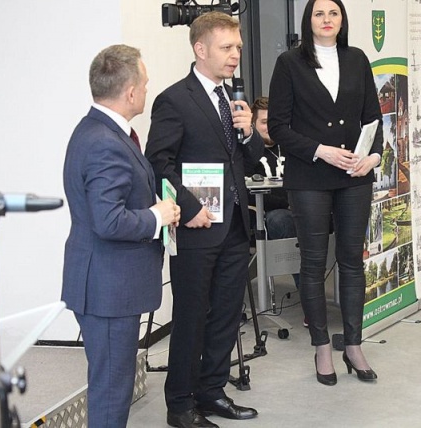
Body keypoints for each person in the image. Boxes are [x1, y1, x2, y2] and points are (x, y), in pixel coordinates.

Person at [145, 12, 263, 428]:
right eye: (227, 47)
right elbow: (157, 163)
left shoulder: (233, 100)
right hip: (195, 229)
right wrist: (190, 206)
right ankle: (180, 405)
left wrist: (249, 132)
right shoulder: (174, 100)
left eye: (238, 48)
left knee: (227, 316)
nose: (235, 55)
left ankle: (212, 391)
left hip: (234, 227)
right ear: (200, 49)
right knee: (192, 318)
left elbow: (251, 160)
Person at [61, 44, 180, 427]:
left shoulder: (98, 131)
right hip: (108, 289)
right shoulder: (104, 143)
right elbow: (108, 220)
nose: (146, 90)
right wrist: (157, 216)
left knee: (111, 387)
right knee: (112, 393)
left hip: (106, 284)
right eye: (144, 84)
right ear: (130, 93)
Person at [267, 0, 383, 386]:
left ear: (342, 20)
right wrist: (320, 150)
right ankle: (321, 347)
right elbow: (278, 128)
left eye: (333, 13)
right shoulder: (289, 63)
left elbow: (373, 117)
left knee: (351, 263)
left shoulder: (357, 59)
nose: (327, 19)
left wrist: (374, 157)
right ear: (308, 20)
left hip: (354, 176)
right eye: (319, 13)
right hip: (309, 176)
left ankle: (353, 346)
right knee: (314, 264)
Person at [247, 96, 300, 289]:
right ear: (252, 124)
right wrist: (287, 203)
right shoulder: (247, 153)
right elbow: (248, 193)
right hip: (268, 214)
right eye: (264, 122)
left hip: (299, 207)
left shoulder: (291, 147)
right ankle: (307, 292)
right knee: (281, 219)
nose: (270, 126)